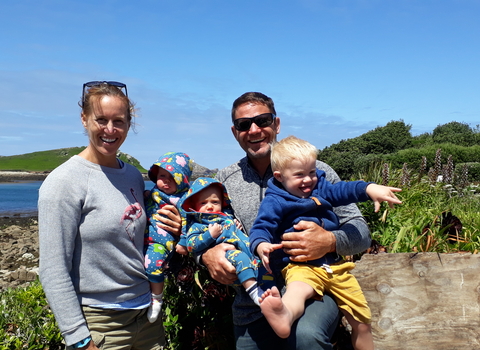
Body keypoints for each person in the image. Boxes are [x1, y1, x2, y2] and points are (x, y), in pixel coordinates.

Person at [201, 91, 373, 350]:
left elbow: (361, 232)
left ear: (277, 124)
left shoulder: (316, 173)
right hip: (252, 303)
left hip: (314, 292)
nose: (254, 129)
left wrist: (329, 241)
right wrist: (205, 255)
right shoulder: (223, 181)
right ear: (235, 132)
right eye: (244, 124)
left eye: (263, 120)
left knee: (307, 337)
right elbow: (200, 227)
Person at [39, 81, 180, 350]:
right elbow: (53, 268)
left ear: (129, 123)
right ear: (84, 118)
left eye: (119, 121)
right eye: (101, 120)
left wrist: (175, 227)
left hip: (148, 317)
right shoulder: (63, 182)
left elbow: (139, 240)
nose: (110, 130)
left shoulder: (131, 175)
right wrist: (78, 338)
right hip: (101, 325)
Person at [250, 135, 401, 349]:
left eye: (311, 172)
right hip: (301, 266)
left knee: (362, 321)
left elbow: (344, 190)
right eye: (299, 175)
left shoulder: (320, 187)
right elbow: (261, 227)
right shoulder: (275, 200)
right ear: (280, 176)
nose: (308, 180)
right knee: (297, 292)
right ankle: (284, 315)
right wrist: (261, 245)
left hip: (335, 267)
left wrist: (369, 189)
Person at [179, 177, 274, 305]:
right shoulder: (197, 225)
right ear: (194, 205)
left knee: (263, 264)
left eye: (215, 202)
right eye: (203, 203)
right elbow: (191, 245)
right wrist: (209, 235)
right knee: (241, 259)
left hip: (247, 249)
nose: (210, 206)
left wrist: (235, 224)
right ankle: (254, 292)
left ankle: (270, 291)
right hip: (230, 255)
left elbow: (232, 226)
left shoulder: (225, 216)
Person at [144, 151, 193, 323]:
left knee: (152, 265)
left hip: (162, 241)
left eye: (172, 178)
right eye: (162, 176)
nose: (165, 181)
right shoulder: (155, 192)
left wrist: (184, 241)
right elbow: (148, 202)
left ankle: (156, 298)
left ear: (182, 181)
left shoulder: (184, 199)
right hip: (147, 235)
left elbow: (188, 222)